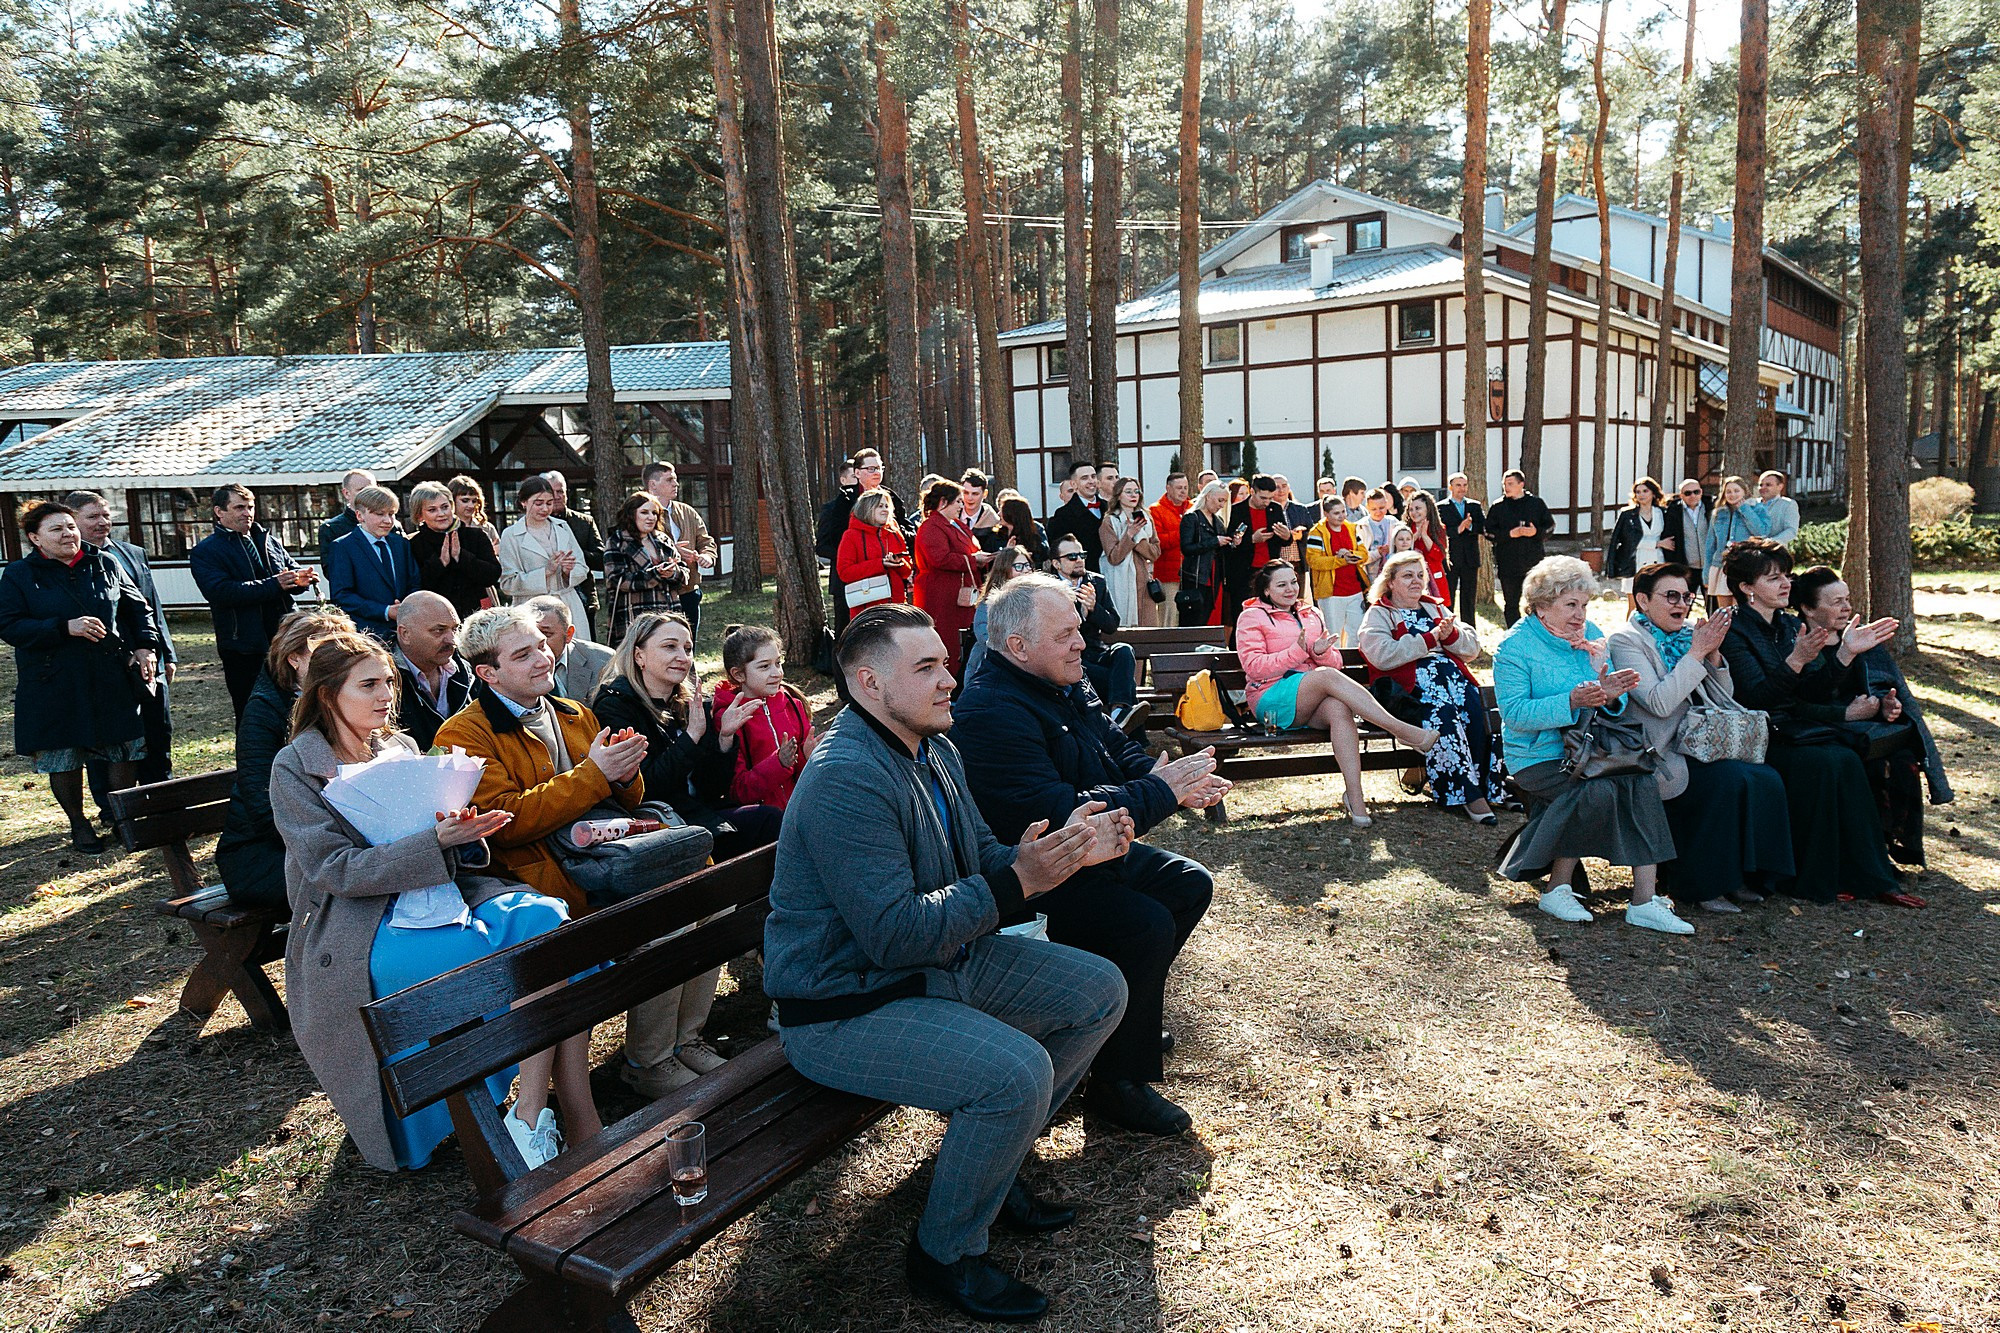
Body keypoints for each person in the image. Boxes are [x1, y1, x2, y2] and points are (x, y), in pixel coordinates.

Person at [763, 606, 1131, 1322]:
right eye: (926, 667)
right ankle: (946, 1252)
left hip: (933, 965)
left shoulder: (933, 745)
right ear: (869, 683)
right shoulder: (845, 776)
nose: (950, 679)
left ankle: (991, 1169)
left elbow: (983, 861)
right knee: (1015, 1072)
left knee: (1098, 990)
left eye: (945, 661)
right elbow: (896, 933)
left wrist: (1060, 854)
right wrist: (1014, 881)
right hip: (845, 1004)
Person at [271, 631, 601, 1171]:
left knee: (548, 920)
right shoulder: (294, 765)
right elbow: (332, 870)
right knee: (537, 959)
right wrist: (434, 844)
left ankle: (531, 1112)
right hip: (361, 928)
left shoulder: (398, 747)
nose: (386, 696)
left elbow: (440, 839)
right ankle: (562, 1116)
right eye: (369, 685)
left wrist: (464, 834)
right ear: (329, 694)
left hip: (440, 897)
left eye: (390, 683)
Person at [956, 576, 1227, 1139]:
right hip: (1036, 873)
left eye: (1079, 629)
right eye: (1066, 635)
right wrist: (1164, 790)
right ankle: (1116, 1083)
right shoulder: (990, 711)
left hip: (1092, 854)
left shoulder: (1060, 681)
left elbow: (1112, 742)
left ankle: (1120, 1030)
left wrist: (1157, 774)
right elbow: (1058, 814)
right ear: (1019, 647)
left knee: (1186, 884)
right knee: (1143, 922)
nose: (1082, 643)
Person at [590, 611, 782, 1095]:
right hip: (650, 834)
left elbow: (712, 790)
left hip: (692, 823)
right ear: (638, 655)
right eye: (669, 647)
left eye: (687, 647)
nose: (683, 657)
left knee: (722, 898)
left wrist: (720, 738)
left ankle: (685, 1039)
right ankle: (649, 1059)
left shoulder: (679, 704)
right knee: (683, 914)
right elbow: (645, 786)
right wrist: (695, 738)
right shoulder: (616, 706)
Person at [1493, 556, 1689, 933]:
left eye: (1584, 605)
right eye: (1571, 605)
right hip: (1538, 756)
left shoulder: (1592, 632)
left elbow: (1612, 705)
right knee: (1594, 789)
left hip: (1593, 749)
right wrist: (1572, 701)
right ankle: (1557, 889)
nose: (1581, 615)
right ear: (1541, 606)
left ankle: (1644, 901)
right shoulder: (1514, 648)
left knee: (1642, 781)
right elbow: (1516, 714)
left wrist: (1608, 687)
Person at [1716, 540, 1911, 906]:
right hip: (1758, 732)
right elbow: (1756, 696)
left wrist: (1845, 653)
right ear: (1746, 588)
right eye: (1773, 578)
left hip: (1796, 727)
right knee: (1824, 763)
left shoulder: (1790, 625)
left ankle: (1863, 871)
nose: (1785, 584)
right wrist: (1795, 662)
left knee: (1846, 758)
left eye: (1786, 576)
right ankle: (1812, 876)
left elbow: (1811, 693)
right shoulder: (1735, 630)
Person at [1608, 563, 1794, 912]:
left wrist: (1713, 655)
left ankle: (1744, 876)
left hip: (1701, 741)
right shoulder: (1627, 642)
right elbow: (1659, 703)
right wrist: (1695, 653)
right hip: (1659, 752)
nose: (1681, 604)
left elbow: (1724, 694)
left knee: (1765, 778)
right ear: (1643, 601)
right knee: (1726, 782)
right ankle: (1702, 886)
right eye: (1671, 596)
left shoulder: (1687, 635)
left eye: (1686, 597)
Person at [0, 500, 165, 851]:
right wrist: (63, 628)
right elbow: (9, 626)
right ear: (35, 539)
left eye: (70, 526)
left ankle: (123, 820)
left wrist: (146, 647)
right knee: (65, 755)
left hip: (109, 675)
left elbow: (138, 608)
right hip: (54, 681)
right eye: (56, 529)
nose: (67, 534)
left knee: (123, 749)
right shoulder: (18, 575)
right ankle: (79, 823)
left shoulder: (104, 563)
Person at [1234, 560, 1439, 826]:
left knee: (1339, 708)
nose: (1290, 589)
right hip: (1270, 699)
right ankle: (1402, 730)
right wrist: (1299, 652)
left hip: (1310, 698)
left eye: (1294, 582)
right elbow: (1254, 667)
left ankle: (1355, 797)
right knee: (1326, 678)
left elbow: (1335, 664)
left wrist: (1320, 653)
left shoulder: (1311, 613)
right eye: (1281, 585)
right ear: (1266, 591)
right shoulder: (1252, 616)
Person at [1792, 564, 1953, 864]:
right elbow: (1800, 699)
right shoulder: (1796, 643)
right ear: (1807, 609)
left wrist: (1887, 707)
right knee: (1866, 767)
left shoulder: (1861, 640)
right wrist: (1846, 715)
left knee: (1903, 761)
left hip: (1867, 733)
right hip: (1824, 733)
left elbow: (1888, 692)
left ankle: (1891, 847)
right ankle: (1866, 855)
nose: (1846, 607)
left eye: (1847, 599)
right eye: (1835, 601)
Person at [216, 608, 355, 908]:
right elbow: (264, 808)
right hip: (260, 855)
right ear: (294, 658)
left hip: (325, 844)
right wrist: (335, 841)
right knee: (355, 883)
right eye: (323, 652)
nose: (336, 664)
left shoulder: (341, 701)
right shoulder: (264, 712)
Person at [1359, 552, 1504, 823]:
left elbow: (1472, 648)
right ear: (1390, 582)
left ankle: (1491, 788)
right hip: (1409, 690)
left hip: (1452, 681)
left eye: (1420, 575)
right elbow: (1380, 654)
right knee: (1442, 715)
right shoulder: (1379, 613)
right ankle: (1468, 794)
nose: (1416, 581)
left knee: (1477, 710)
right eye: (1407, 576)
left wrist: (1451, 635)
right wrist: (1428, 639)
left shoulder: (1435, 607)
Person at [65, 490, 176, 798]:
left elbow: (152, 606)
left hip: (149, 659)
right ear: (71, 521)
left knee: (157, 732)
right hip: (106, 666)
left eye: (105, 515)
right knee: (109, 743)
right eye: (92, 517)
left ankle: (160, 799)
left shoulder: (132, 553)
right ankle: (113, 809)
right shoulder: (69, 564)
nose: (102, 523)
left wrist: (166, 653)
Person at [191, 483, 318, 718]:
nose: (247, 513)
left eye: (250, 507)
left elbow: (288, 572)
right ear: (219, 512)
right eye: (239, 507)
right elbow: (221, 592)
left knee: (298, 709)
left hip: (285, 640)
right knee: (253, 713)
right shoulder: (206, 551)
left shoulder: (268, 540)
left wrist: (301, 580)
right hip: (244, 646)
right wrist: (274, 584)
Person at [710, 624, 815, 812]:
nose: (777, 673)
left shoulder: (792, 704)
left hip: (801, 811)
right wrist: (779, 763)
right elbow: (737, 791)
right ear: (739, 674)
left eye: (778, 663)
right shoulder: (729, 718)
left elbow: (804, 779)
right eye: (765, 666)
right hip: (764, 821)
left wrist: (808, 756)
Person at [913, 477, 988, 678]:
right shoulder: (931, 526)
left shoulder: (956, 524)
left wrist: (982, 558)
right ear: (943, 502)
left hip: (961, 595)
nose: (961, 506)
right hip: (942, 597)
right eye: (958, 502)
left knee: (963, 639)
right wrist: (973, 560)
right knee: (949, 640)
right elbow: (939, 558)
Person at [1051, 536, 1137, 707]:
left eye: (1082, 555)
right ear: (1056, 564)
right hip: (1072, 658)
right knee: (1123, 683)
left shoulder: (1096, 582)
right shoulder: (1048, 588)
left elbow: (1112, 625)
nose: (1079, 561)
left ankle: (1119, 711)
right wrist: (1079, 609)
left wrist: (1094, 608)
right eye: (1072, 557)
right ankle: (1122, 714)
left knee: (1124, 650)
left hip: (1096, 652)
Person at [325, 485, 418, 641]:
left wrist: (405, 607)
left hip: (405, 630)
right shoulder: (343, 546)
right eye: (380, 514)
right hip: (367, 634)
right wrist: (385, 611)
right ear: (360, 516)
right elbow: (342, 596)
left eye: (391, 514)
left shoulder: (400, 544)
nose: (388, 520)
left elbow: (413, 581)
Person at [498, 475, 590, 630]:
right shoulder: (511, 535)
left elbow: (582, 568)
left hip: (568, 606)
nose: (545, 509)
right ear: (524, 502)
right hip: (531, 610)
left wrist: (568, 572)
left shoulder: (563, 527)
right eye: (538, 503)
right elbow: (507, 583)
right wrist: (545, 572)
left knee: (573, 651)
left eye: (549, 503)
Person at [640, 461, 720, 637]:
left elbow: (705, 541)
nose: (676, 484)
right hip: (656, 593)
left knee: (689, 646)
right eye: (669, 480)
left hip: (688, 590)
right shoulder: (639, 514)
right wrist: (671, 551)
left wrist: (707, 556)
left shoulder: (687, 511)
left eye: (675, 479)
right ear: (653, 484)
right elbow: (633, 547)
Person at [407, 480, 502, 619]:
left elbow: (493, 575)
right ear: (419, 515)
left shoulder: (475, 536)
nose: (441, 514)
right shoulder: (413, 544)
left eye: (445, 507)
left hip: (476, 616)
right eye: (432, 510)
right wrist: (440, 563)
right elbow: (414, 587)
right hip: (435, 618)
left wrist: (461, 557)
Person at [601, 492, 684, 646]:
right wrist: (654, 574)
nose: (651, 517)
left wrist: (673, 573)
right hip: (634, 615)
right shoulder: (617, 541)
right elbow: (616, 581)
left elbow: (684, 573)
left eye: (654, 513)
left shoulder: (663, 539)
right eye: (644, 512)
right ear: (631, 515)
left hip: (668, 611)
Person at [392, 591, 470, 751]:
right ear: (405, 634)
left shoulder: (467, 671)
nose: (452, 640)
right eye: (439, 631)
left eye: (455, 629)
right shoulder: (382, 682)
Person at [1484, 470, 1555, 627]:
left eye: (1510, 484)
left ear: (1521, 484)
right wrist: (1509, 534)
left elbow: (1550, 526)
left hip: (1534, 564)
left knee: (1537, 603)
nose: (1506, 487)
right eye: (1504, 484)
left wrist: (1536, 532)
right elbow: (1488, 532)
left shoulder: (1536, 504)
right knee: (1511, 604)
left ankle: (1538, 633)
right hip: (1508, 564)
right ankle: (1514, 634)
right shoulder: (1498, 506)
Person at [542, 470, 606, 639]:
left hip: (583, 597)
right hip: (546, 600)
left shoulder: (584, 522)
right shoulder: (533, 526)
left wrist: (574, 554)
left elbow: (601, 559)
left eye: (560, 491)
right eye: (551, 492)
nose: (556, 496)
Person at [1222, 475, 1295, 619]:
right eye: (1263, 498)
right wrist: (1252, 540)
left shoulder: (1275, 509)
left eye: (1270, 498)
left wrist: (1287, 536)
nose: (1267, 502)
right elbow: (1231, 544)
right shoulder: (1237, 510)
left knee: (1272, 613)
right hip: (1244, 573)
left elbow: (1284, 540)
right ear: (1252, 492)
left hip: (1269, 572)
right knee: (1243, 615)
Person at [1303, 495, 1369, 647]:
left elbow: (1363, 554)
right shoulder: (1317, 532)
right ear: (1326, 514)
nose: (1342, 516)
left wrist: (1351, 555)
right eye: (1336, 513)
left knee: (1357, 632)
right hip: (1331, 592)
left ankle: (1354, 667)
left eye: (1343, 511)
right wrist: (1340, 560)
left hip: (1354, 589)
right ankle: (1335, 666)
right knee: (1334, 635)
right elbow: (1313, 561)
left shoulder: (1351, 528)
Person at [835, 488, 912, 615]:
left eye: (887, 506)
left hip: (897, 605)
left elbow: (907, 571)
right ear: (867, 509)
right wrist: (880, 564)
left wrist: (899, 562)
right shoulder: (851, 536)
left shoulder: (894, 533)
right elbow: (845, 572)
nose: (885, 510)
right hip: (866, 607)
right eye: (880, 506)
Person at [526, 594, 613, 704]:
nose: (538, 642)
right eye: (530, 634)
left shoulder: (603, 661)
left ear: (569, 634)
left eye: (546, 634)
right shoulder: (511, 664)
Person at [967, 544, 1037, 679]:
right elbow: (985, 635)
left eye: (1028, 565)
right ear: (1004, 570)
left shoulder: (1039, 596)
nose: (1025, 570)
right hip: (994, 665)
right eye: (1018, 566)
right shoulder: (990, 601)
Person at [1099, 476, 1160, 627]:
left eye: (1136, 491)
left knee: (1148, 630)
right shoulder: (1109, 521)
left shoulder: (1146, 519)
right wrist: (1129, 536)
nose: (1133, 495)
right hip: (1121, 584)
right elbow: (1114, 557)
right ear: (1119, 495)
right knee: (1126, 629)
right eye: (1128, 492)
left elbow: (1155, 552)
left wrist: (1138, 538)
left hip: (1145, 583)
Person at [1702, 476, 1770, 608]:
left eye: (1736, 491)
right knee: (1725, 610)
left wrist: (1744, 509)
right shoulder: (1718, 513)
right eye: (1728, 491)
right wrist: (1706, 573)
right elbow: (1711, 544)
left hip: (1744, 565)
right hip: (1721, 565)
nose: (1732, 495)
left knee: (1741, 607)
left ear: (1744, 491)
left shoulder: (1757, 509)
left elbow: (1760, 532)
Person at [1177, 480, 1235, 627]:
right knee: (1193, 620)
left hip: (1214, 577)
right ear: (1208, 496)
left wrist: (1232, 543)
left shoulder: (1219, 521)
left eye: (1225, 501)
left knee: (1207, 617)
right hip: (1196, 577)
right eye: (1220, 500)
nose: (1222, 505)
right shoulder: (1191, 518)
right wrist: (1215, 542)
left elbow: (1221, 550)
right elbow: (1187, 548)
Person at [1607, 478, 1670, 602]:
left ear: (1653, 493)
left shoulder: (1663, 512)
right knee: (1634, 602)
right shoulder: (1627, 515)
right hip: (1634, 562)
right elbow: (1627, 540)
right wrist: (1657, 544)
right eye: (1638, 492)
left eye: (1645, 491)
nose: (1641, 495)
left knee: (1657, 600)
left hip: (1658, 560)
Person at [1439, 472, 1485, 626]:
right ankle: (1450, 631)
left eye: (1465, 485)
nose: (1462, 488)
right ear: (1451, 487)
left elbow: (1483, 527)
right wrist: (1458, 529)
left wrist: (1470, 526)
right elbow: (1439, 531)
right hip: (1450, 559)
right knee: (1449, 597)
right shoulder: (1441, 507)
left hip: (1470, 558)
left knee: (1468, 598)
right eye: (1458, 485)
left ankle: (1470, 631)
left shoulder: (1474, 506)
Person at [1046, 461, 1108, 570]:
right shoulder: (1063, 515)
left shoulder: (1109, 507)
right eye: (1084, 478)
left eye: (1093, 477)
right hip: (1083, 574)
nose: (1091, 481)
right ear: (1074, 484)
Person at [1148, 472, 1192, 612]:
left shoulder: (1193, 507)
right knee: (1169, 616)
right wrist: (1183, 532)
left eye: (1185, 487)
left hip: (1191, 574)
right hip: (1168, 576)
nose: (1183, 491)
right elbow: (1159, 542)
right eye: (1179, 488)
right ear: (1168, 488)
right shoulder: (1156, 510)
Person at [1662, 478, 1711, 601]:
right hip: (1686, 567)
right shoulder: (1673, 511)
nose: (1692, 496)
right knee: (1683, 604)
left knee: (1713, 607)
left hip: (1709, 567)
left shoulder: (1711, 507)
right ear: (1681, 495)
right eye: (1687, 493)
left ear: (1701, 491)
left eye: (1696, 492)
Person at [1402, 490, 1452, 601]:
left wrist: (1425, 536)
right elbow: (1401, 551)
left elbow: (1439, 556)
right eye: (1411, 509)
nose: (1414, 512)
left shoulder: (1438, 529)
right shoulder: (1404, 529)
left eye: (1418, 508)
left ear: (1428, 509)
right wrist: (1415, 536)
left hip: (1434, 577)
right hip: (1412, 577)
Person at [317, 469, 376, 553]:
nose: (369, 495)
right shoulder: (331, 529)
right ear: (346, 493)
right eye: (362, 490)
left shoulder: (389, 525)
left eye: (373, 490)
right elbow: (332, 564)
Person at [995, 491, 1049, 569]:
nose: (998, 514)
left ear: (1012, 514)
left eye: (1002, 511)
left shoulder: (1035, 533)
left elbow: (1044, 554)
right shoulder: (996, 535)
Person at [448, 475, 502, 546]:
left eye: (474, 501)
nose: (471, 506)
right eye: (465, 500)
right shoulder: (445, 527)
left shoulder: (487, 527)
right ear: (452, 500)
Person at [1358, 487, 1398, 580]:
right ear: (1367, 507)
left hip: (1391, 573)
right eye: (1374, 509)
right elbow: (1359, 557)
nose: (1378, 512)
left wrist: (1392, 548)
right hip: (1369, 575)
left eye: (1381, 508)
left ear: (1386, 504)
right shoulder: (1361, 526)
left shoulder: (1394, 522)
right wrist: (1378, 553)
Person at [959, 468, 1005, 548]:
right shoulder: (951, 516)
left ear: (985, 494)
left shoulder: (993, 521)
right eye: (966, 493)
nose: (969, 498)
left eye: (975, 494)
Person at [1758, 470, 1800, 546]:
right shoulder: (1752, 505)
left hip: (1776, 552)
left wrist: (1769, 543)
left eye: (1768, 485)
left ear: (1780, 486)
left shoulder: (1788, 505)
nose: (1763, 488)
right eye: (1761, 485)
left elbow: (1791, 531)